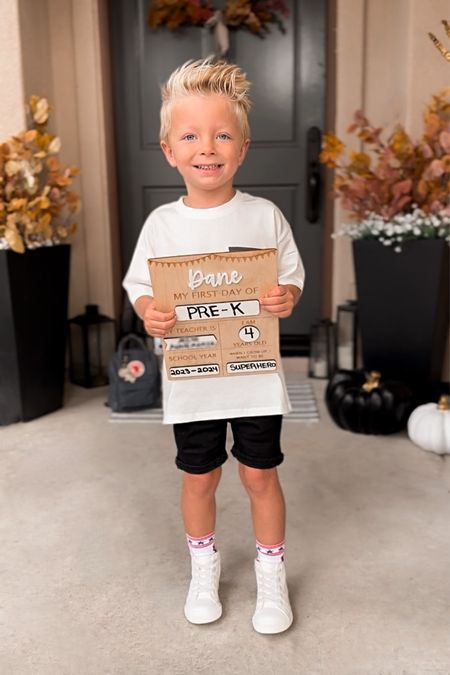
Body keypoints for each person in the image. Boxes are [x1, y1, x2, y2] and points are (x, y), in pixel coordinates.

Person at [123, 58, 305, 635]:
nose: (208, 146)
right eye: (191, 135)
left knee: (259, 476)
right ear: (168, 149)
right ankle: (204, 567)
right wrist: (149, 313)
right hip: (194, 379)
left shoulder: (265, 216)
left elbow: (291, 279)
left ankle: (271, 574)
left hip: (252, 375)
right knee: (199, 477)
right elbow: (141, 290)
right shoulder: (160, 225)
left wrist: (285, 298)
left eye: (223, 133)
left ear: (243, 147)